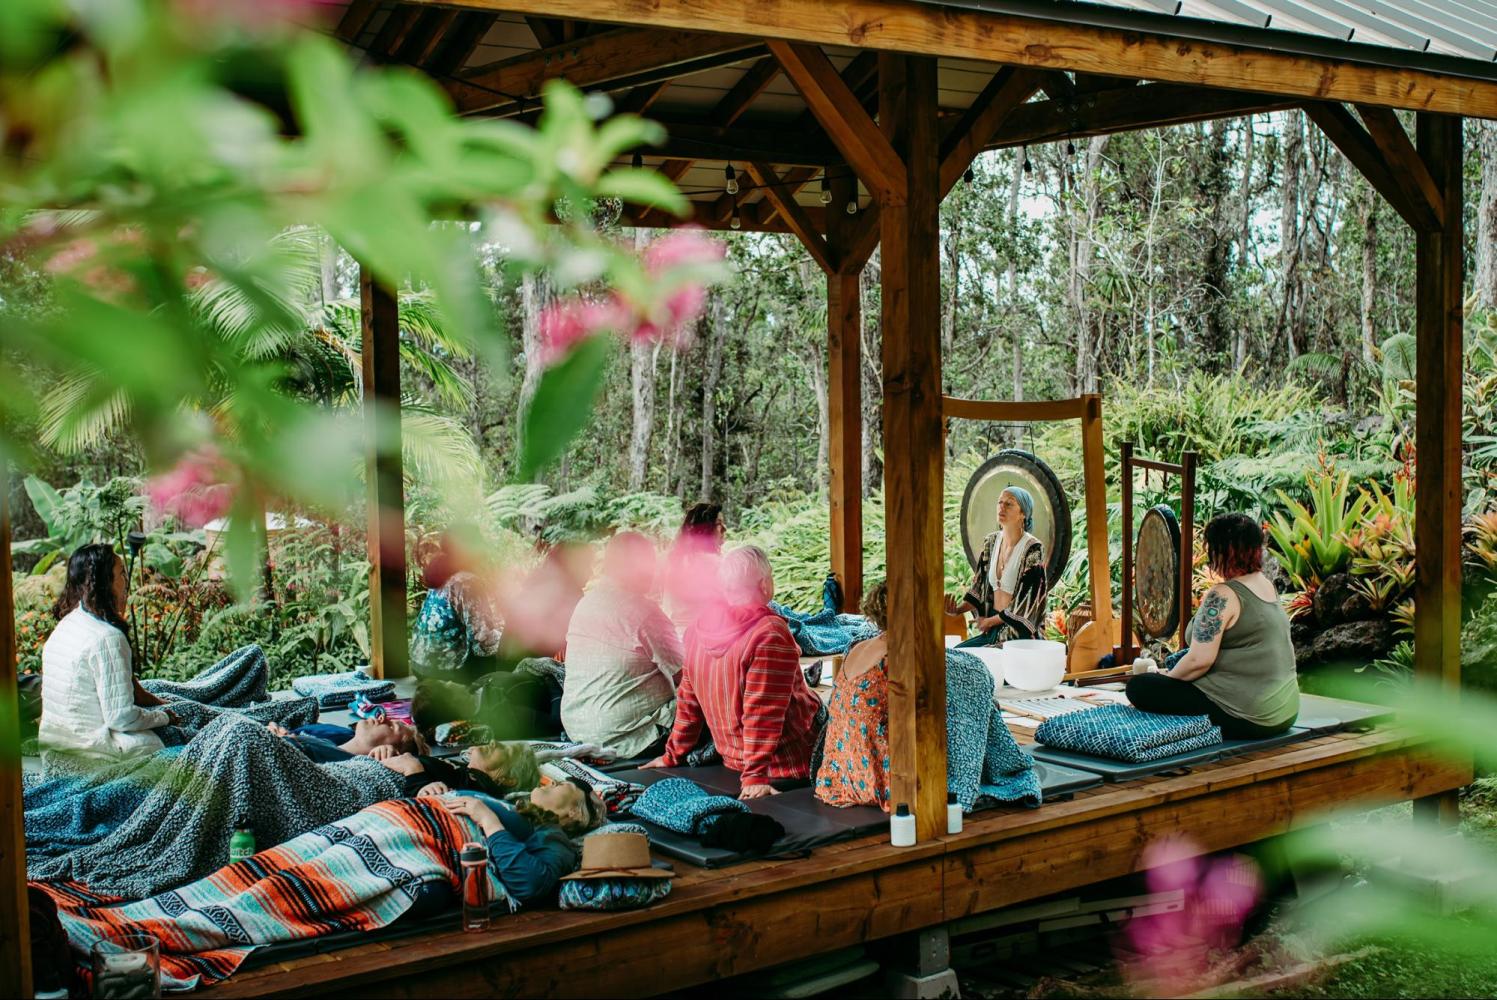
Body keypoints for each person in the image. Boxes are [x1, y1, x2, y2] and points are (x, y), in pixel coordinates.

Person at [646, 545, 825, 800]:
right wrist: (755, 777)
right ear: (764, 584)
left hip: (733, 756)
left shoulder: (697, 630)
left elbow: (688, 701)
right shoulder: (769, 632)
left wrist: (672, 754)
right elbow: (762, 711)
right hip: (789, 760)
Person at [1126, 513, 1300, 739]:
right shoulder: (1266, 585)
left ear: (1224, 551)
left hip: (1249, 715)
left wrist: (1167, 678)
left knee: (1139, 687)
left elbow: (1199, 661)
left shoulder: (1223, 595)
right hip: (1285, 712)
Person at [37, 544, 179, 761]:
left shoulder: (69, 623)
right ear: (104, 584)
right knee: (175, 744)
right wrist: (163, 717)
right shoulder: (107, 637)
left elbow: (125, 691)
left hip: (54, 746)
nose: (126, 582)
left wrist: (159, 704)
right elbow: (121, 718)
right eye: (121, 573)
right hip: (89, 752)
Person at [561, 531, 685, 758]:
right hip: (622, 736)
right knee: (710, 696)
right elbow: (687, 676)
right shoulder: (644, 612)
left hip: (577, 728)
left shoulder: (586, 602)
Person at [945, 486, 1049, 648]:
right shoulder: (991, 542)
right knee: (957, 654)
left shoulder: (1033, 548)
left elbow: (1028, 601)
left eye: (1009, 504)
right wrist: (957, 610)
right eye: (1000, 502)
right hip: (992, 627)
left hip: (1018, 632)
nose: (1002, 507)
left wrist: (990, 621)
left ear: (1023, 514)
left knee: (981, 659)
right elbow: (979, 589)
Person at [409, 532, 505, 683]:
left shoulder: (441, 572)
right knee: (505, 656)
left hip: (420, 665)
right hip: (446, 671)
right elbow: (483, 638)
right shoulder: (467, 581)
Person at [375, 739, 542, 798]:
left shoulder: (478, 790)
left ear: (507, 779)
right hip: (366, 768)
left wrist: (414, 771)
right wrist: (389, 754)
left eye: (505, 750)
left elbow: (430, 804)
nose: (494, 742)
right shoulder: (465, 772)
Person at [664, 502, 726, 634]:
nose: (724, 529)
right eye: (719, 523)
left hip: (677, 634)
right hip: (705, 638)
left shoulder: (675, 561)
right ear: (706, 528)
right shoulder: (713, 563)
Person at [264, 717, 424, 764]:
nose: (382, 718)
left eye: (391, 727)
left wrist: (275, 740)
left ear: (391, 749)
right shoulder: (329, 744)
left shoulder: (345, 763)